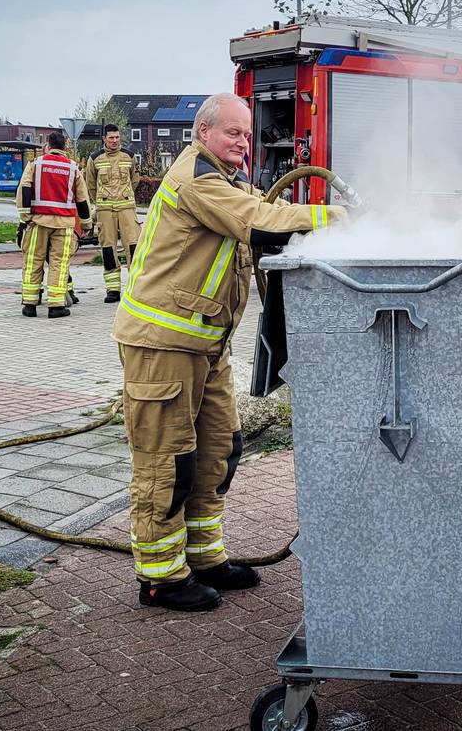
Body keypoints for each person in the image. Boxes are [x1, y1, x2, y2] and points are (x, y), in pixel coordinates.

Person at [112, 92, 347, 611]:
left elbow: (267, 211)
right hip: (163, 344)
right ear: (203, 133)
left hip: (205, 345)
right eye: (232, 132)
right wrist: (341, 217)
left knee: (219, 449)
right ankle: (160, 577)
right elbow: (259, 222)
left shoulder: (228, 180)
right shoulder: (197, 177)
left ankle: (203, 556)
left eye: (246, 133)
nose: (243, 141)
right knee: (167, 461)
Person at [17, 131, 89, 318]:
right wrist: (87, 224)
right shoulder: (73, 168)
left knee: (33, 261)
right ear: (65, 147)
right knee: (59, 263)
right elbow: (82, 200)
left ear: (48, 145)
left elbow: (24, 188)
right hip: (64, 225)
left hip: (38, 222)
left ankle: (30, 305)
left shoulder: (35, 164)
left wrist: (25, 217)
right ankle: (56, 306)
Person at [86, 124, 141, 303]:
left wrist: (125, 195)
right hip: (105, 210)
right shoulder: (94, 158)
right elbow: (91, 184)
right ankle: (113, 289)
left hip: (126, 207)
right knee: (108, 249)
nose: (115, 141)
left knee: (133, 246)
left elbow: (135, 180)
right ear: (104, 139)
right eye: (111, 138)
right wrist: (100, 201)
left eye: (117, 137)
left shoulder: (129, 156)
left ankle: (135, 287)